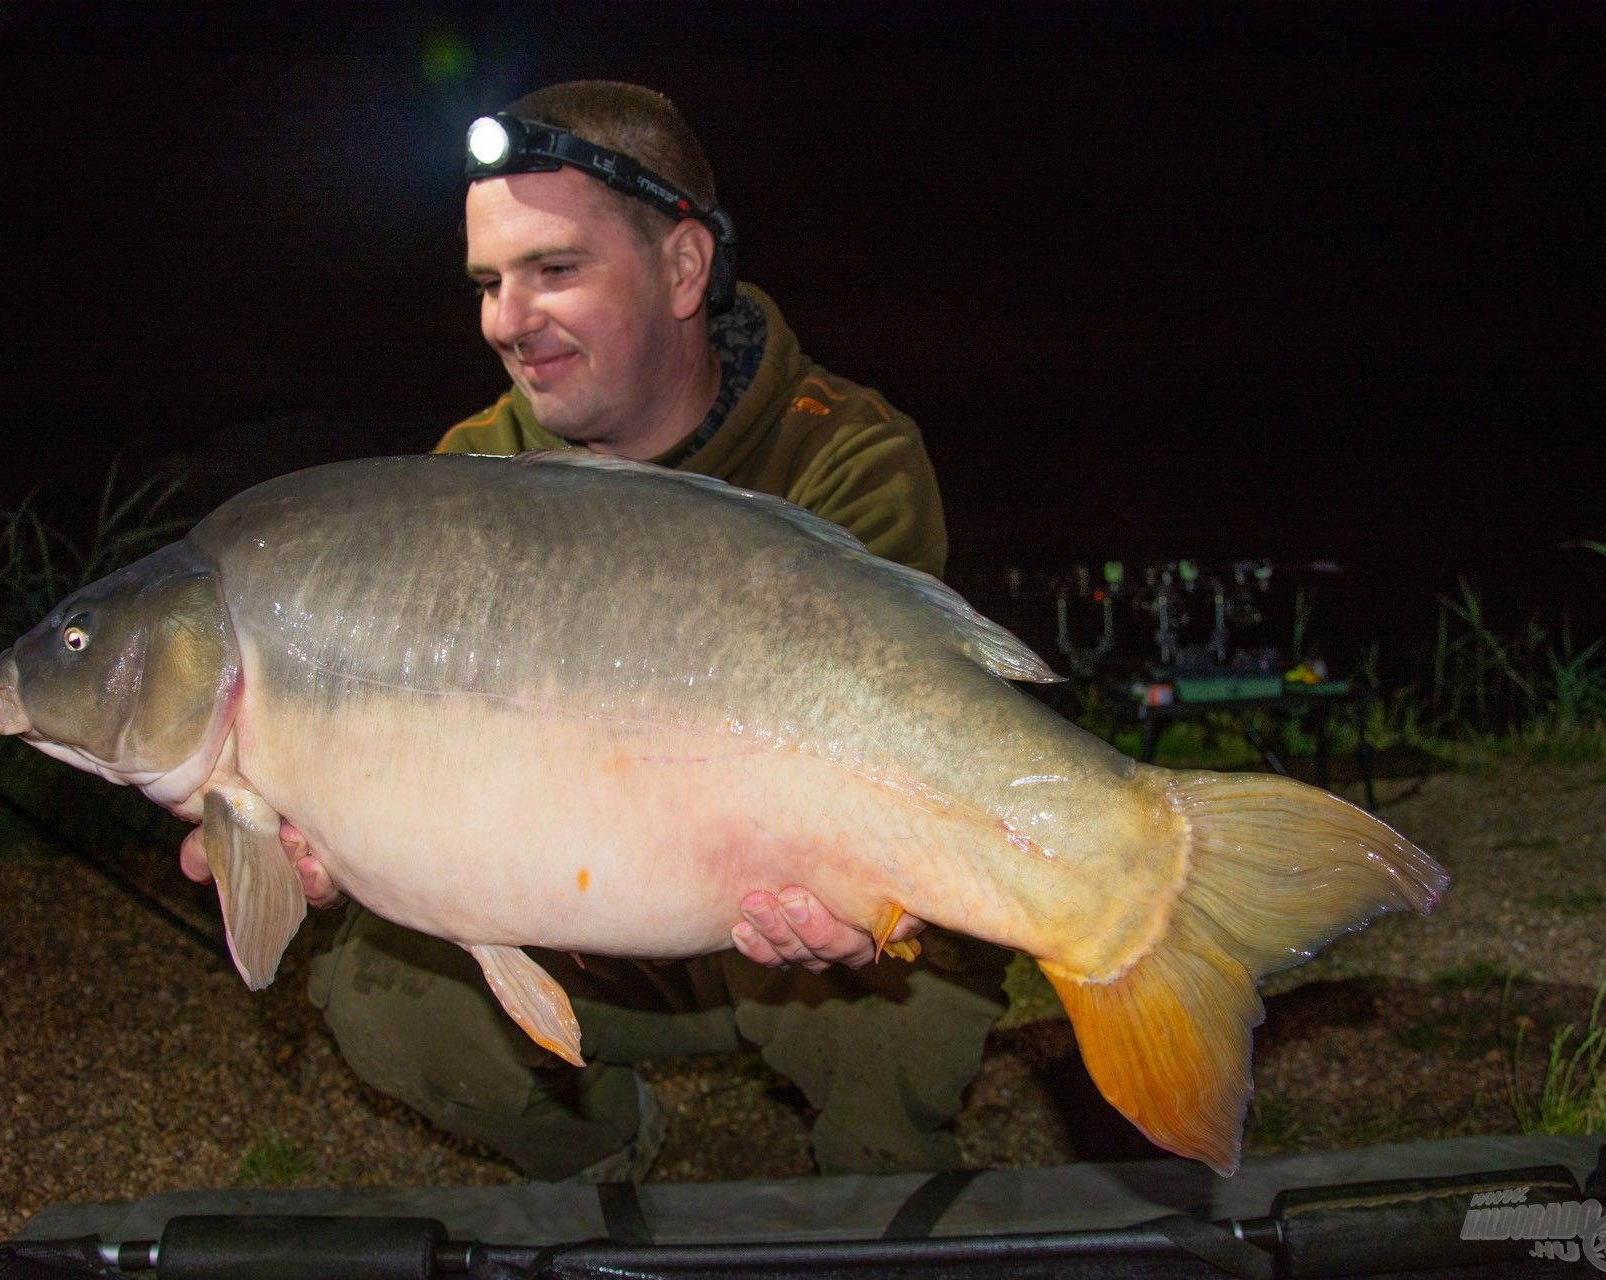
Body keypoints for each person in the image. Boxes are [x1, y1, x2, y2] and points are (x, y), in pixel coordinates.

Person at [184, 80, 1009, 1182]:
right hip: (582, 925)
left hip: (796, 934)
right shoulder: (465, 481)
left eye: (554, 270)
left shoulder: (844, 455)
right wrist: (324, 829)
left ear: (681, 268)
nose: (505, 321)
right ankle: (611, 1144)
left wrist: (870, 895)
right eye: (488, 282)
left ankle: (877, 1180)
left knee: (905, 1006)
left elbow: (909, 742)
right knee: (383, 996)